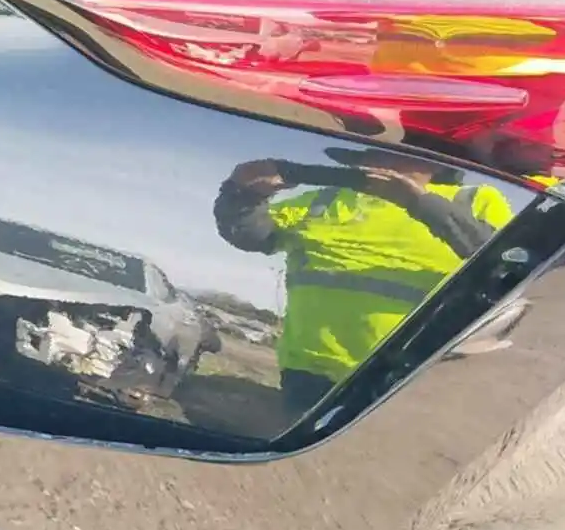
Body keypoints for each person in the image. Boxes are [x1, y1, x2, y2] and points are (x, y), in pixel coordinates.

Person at [214, 148, 513, 418]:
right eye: (372, 154)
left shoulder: (475, 200)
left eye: (395, 155)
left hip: (407, 378)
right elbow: (250, 235)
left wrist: (419, 202)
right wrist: (241, 193)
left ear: (433, 163)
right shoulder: (324, 199)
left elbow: (508, 262)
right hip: (307, 373)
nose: (376, 162)